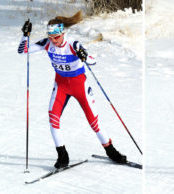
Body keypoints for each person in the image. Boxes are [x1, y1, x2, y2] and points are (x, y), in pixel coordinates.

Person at [18, 11, 127, 169]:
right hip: (61, 85)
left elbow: (92, 61)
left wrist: (84, 56)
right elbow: (24, 50)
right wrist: (25, 35)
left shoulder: (73, 44)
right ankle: (63, 155)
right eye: (50, 37)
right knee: (53, 118)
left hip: (79, 86)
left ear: (63, 33)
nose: (53, 41)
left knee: (93, 122)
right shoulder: (47, 43)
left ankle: (111, 151)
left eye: (56, 37)